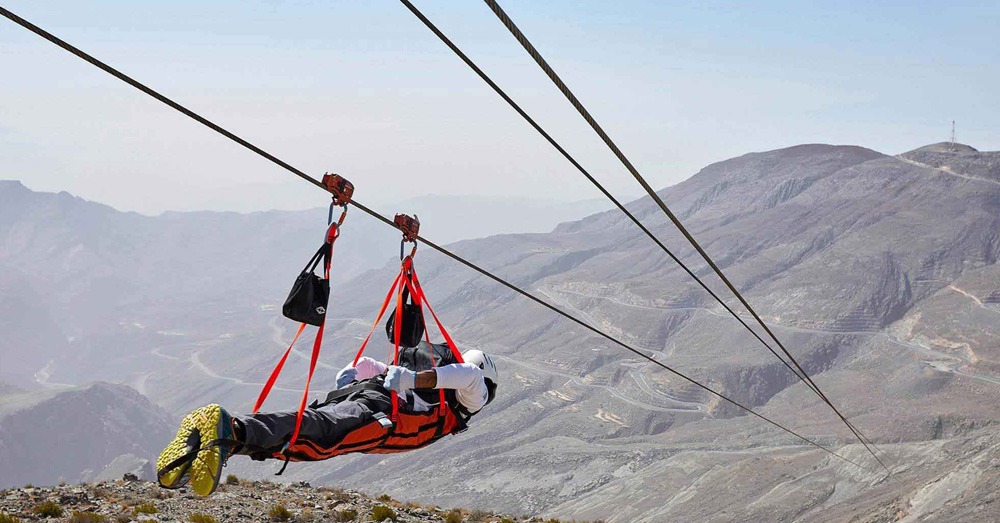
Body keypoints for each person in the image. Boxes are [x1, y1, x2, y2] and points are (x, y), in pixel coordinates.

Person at [156, 343, 498, 496]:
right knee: (316, 438)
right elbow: (469, 375)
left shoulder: (438, 388)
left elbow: (373, 368)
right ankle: (229, 430)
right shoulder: (472, 394)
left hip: (374, 401)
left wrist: (360, 374)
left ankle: (218, 442)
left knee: (311, 430)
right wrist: (408, 380)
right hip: (383, 418)